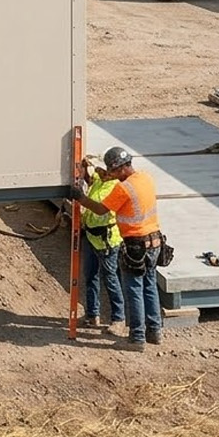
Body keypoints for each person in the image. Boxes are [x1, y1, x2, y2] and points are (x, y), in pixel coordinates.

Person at [73, 146, 162, 349]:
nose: (110, 175)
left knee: (133, 289)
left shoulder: (123, 189)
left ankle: (137, 338)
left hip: (135, 245)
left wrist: (80, 197)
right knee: (149, 286)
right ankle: (155, 331)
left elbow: (101, 208)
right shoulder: (146, 178)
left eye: (112, 171)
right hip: (155, 241)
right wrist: (97, 175)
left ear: (120, 169)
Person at [77, 155, 123, 337]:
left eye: (108, 170)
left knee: (110, 278)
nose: (103, 171)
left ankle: (118, 319)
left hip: (107, 240)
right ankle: (92, 314)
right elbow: (91, 178)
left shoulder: (115, 187)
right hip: (91, 235)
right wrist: (84, 170)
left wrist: (80, 198)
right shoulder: (100, 180)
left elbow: (99, 208)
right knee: (90, 275)